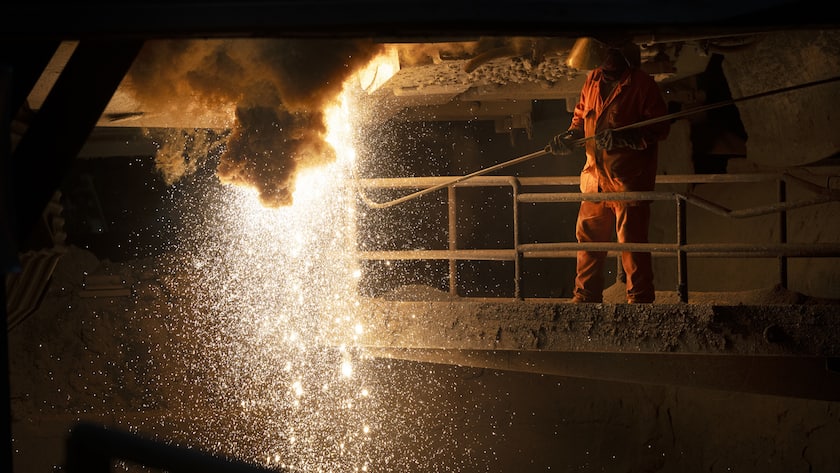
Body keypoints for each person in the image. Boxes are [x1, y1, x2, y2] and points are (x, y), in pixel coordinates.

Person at [547, 39, 670, 304]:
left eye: (610, 57)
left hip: (627, 180)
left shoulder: (641, 85)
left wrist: (626, 138)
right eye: (602, 59)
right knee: (589, 242)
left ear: (621, 55)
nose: (605, 64)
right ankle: (585, 297)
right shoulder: (592, 80)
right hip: (595, 179)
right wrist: (569, 138)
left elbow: (660, 128)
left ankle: (639, 300)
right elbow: (580, 121)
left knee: (632, 245)